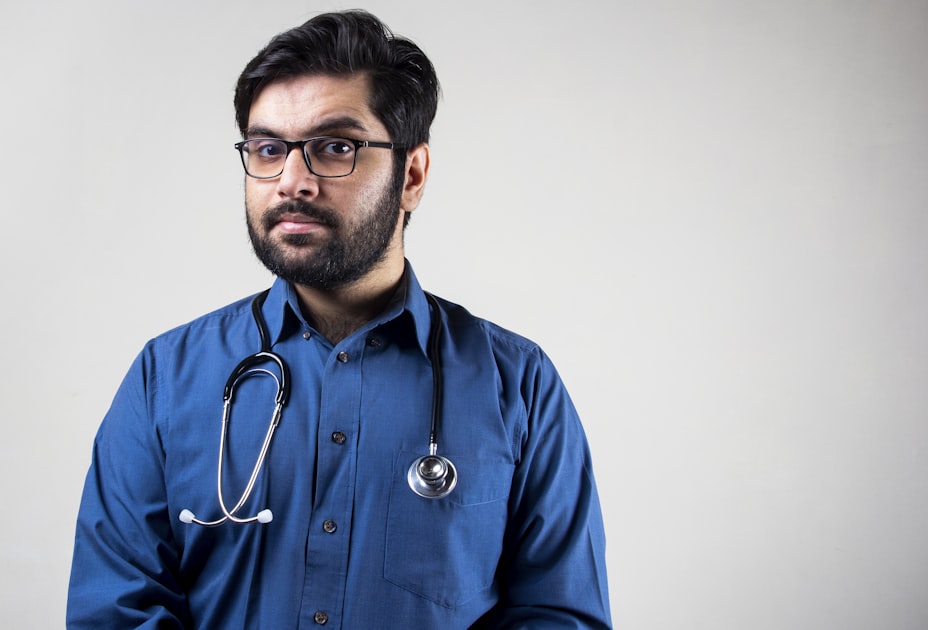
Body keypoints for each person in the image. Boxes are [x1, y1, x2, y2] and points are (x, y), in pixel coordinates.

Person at [67, 10, 611, 629]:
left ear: (411, 174)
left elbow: (559, 616)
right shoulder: (166, 377)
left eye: (335, 147)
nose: (291, 181)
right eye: (268, 149)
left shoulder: (518, 384)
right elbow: (117, 612)